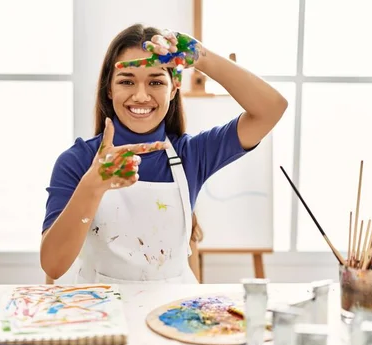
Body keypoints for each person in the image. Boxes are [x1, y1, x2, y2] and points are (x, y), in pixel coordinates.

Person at [40, 24, 287, 284]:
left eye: (156, 81)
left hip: (174, 314)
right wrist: (92, 186)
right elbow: (54, 266)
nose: (141, 95)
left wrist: (203, 58)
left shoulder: (193, 154)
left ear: (173, 87)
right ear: (109, 89)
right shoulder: (77, 161)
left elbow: (271, 109)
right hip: (104, 314)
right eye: (127, 81)